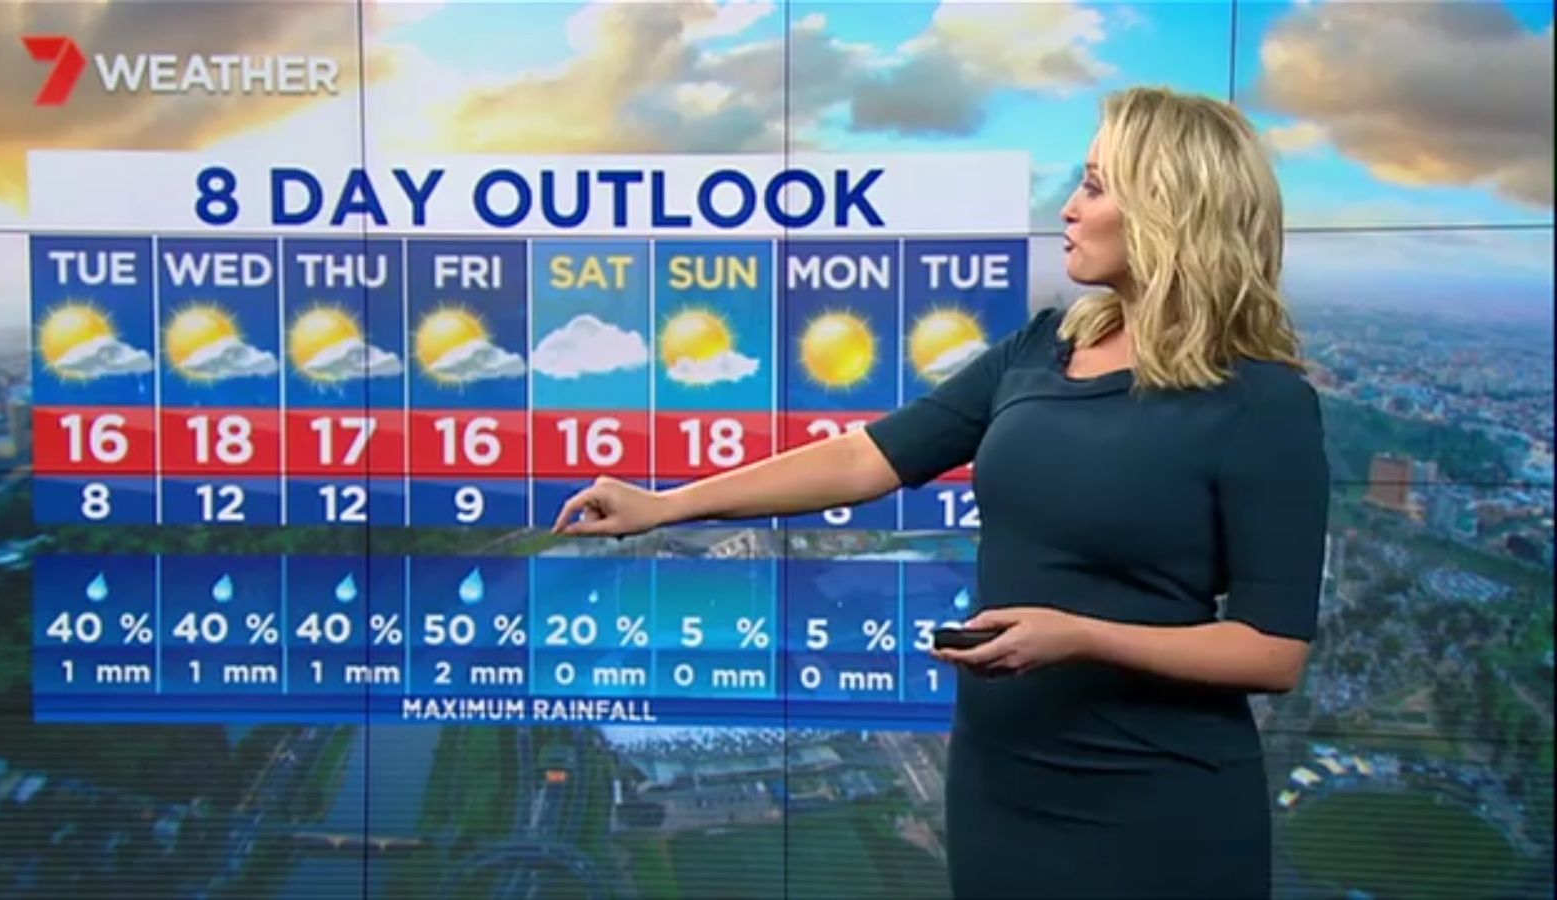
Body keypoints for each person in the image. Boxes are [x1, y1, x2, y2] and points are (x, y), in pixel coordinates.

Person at [552, 85, 1330, 899]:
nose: (1068, 208)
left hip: (1157, 805)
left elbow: (1271, 650)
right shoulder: (1044, 347)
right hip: (1002, 781)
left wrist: (1080, 636)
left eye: (1095, 187)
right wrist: (667, 503)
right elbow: (865, 458)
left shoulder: (1263, 404)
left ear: (1172, 212)